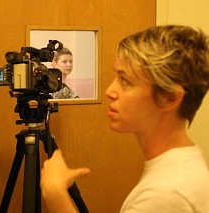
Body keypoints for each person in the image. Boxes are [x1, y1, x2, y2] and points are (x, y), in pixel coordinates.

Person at [40, 25, 209, 212]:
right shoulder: (176, 171)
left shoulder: (167, 193)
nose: (110, 91)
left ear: (169, 97)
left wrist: (55, 194)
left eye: (125, 81)